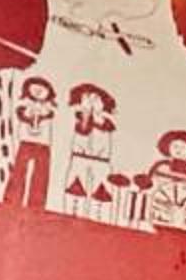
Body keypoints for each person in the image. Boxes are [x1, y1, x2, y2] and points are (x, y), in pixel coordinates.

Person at [63, 83, 118, 215]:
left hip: (101, 161)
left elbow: (103, 126)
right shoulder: (81, 118)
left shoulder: (106, 122)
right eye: (87, 98)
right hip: (79, 158)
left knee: (101, 194)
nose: (92, 102)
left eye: (96, 99)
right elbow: (83, 130)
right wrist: (86, 112)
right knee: (75, 190)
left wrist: (95, 114)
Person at [10, 74, 56, 208]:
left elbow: (49, 114)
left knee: (40, 175)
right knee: (19, 172)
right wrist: (30, 112)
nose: (38, 92)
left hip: (43, 144)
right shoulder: (25, 106)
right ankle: (13, 200)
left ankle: (36, 205)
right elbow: (22, 114)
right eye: (35, 89)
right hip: (26, 141)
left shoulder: (48, 108)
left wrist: (42, 112)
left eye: (42, 89)